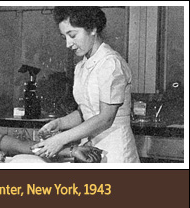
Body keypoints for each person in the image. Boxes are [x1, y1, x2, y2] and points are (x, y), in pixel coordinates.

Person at [32, 7, 140, 163]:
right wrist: (59, 123)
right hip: (91, 149)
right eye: (64, 37)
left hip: (116, 149)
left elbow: (105, 118)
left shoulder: (111, 63)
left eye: (73, 35)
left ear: (93, 29)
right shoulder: (82, 66)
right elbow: (86, 112)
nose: (68, 44)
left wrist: (60, 140)